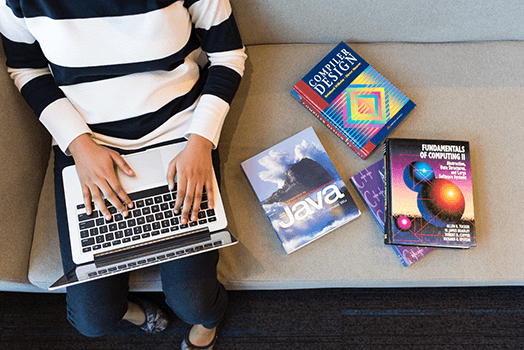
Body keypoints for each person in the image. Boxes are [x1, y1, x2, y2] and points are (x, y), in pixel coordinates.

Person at [0, 0, 246, 348]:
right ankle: (134, 312)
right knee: (92, 319)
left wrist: (202, 141)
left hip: (179, 138)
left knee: (195, 301)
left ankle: (209, 323)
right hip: (88, 145)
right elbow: (26, 68)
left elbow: (228, 55)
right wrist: (79, 145)